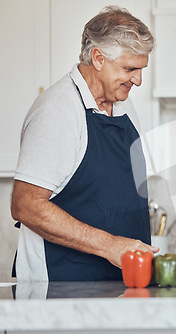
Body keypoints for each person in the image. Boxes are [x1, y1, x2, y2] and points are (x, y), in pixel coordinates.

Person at [10, 6, 157, 281]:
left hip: (119, 284)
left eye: (141, 69)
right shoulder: (57, 111)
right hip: (62, 286)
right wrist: (109, 245)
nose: (138, 80)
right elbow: (25, 205)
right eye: (130, 68)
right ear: (98, 58)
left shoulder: (122, 103)